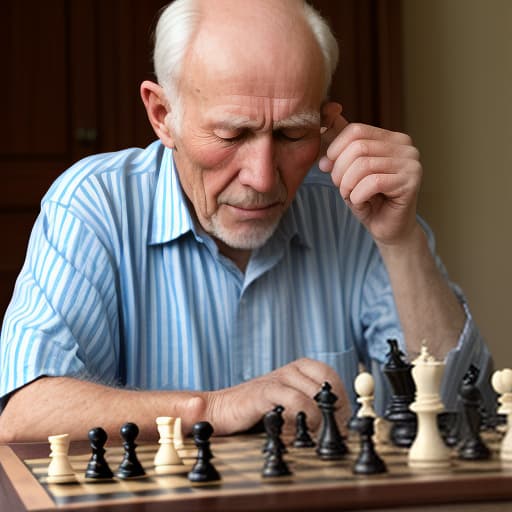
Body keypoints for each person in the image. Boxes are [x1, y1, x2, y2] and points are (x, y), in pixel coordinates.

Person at [0, 0, 492, 442]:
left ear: (325, 121)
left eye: (292, 134)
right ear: (162, 114)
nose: (260, 177)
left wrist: (401, 241)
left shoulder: (356, 208)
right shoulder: (96, 204)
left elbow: (471, 414)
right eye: (232, 134)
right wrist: (214, 407)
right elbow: (22, 414)